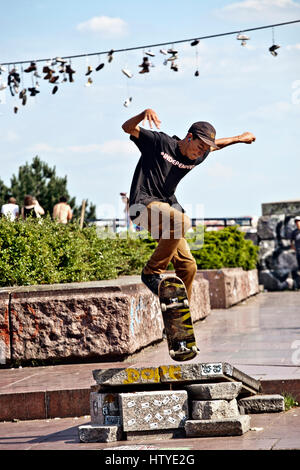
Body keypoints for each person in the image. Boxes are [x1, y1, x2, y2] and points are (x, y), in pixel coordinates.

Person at [122, 108, 256, 300]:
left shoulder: (201, 154)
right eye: (199, 146)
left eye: (204, 150)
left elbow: (217, 144)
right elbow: (127, 127)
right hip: (142, 205)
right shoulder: (160, 142)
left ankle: (179, 315)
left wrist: (240, 138)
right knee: (181, 221)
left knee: (188, 266)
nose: (200, 153)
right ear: (189, 137)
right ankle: (151, 272)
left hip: (166, 214)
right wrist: (144, 113)